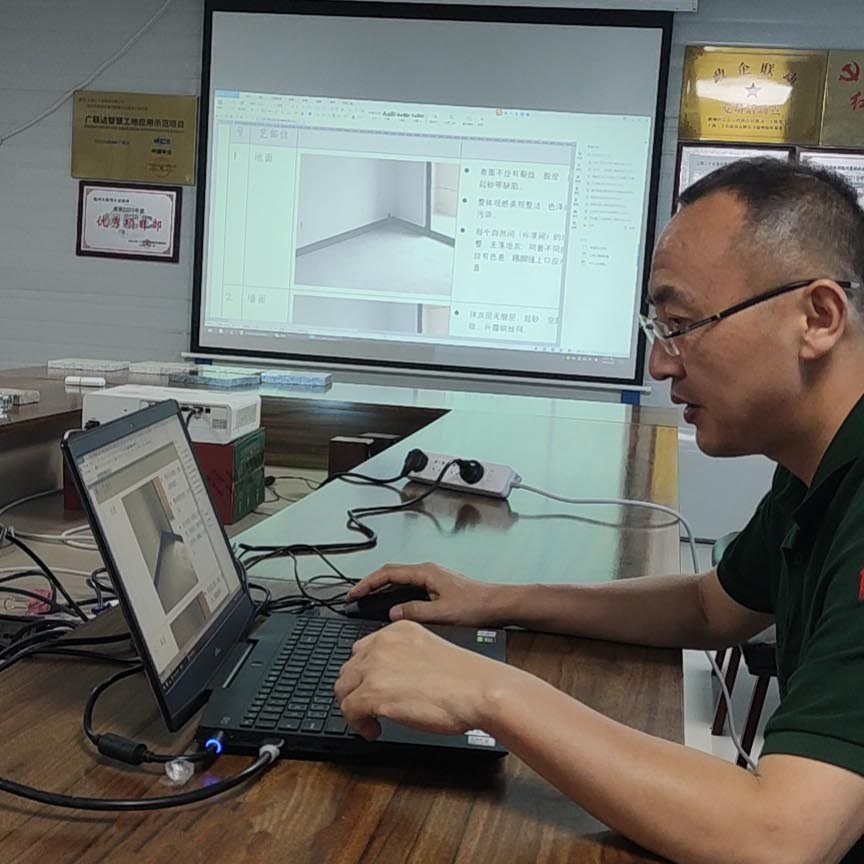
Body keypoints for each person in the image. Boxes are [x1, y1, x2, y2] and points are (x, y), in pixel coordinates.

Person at [334, 158, 864, 864]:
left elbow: (779, 839)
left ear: (818, 317)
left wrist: (487, 691)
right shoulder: (815, 468)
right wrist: (495, 600)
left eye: (683, 324)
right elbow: (710, 608)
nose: (662, 364)